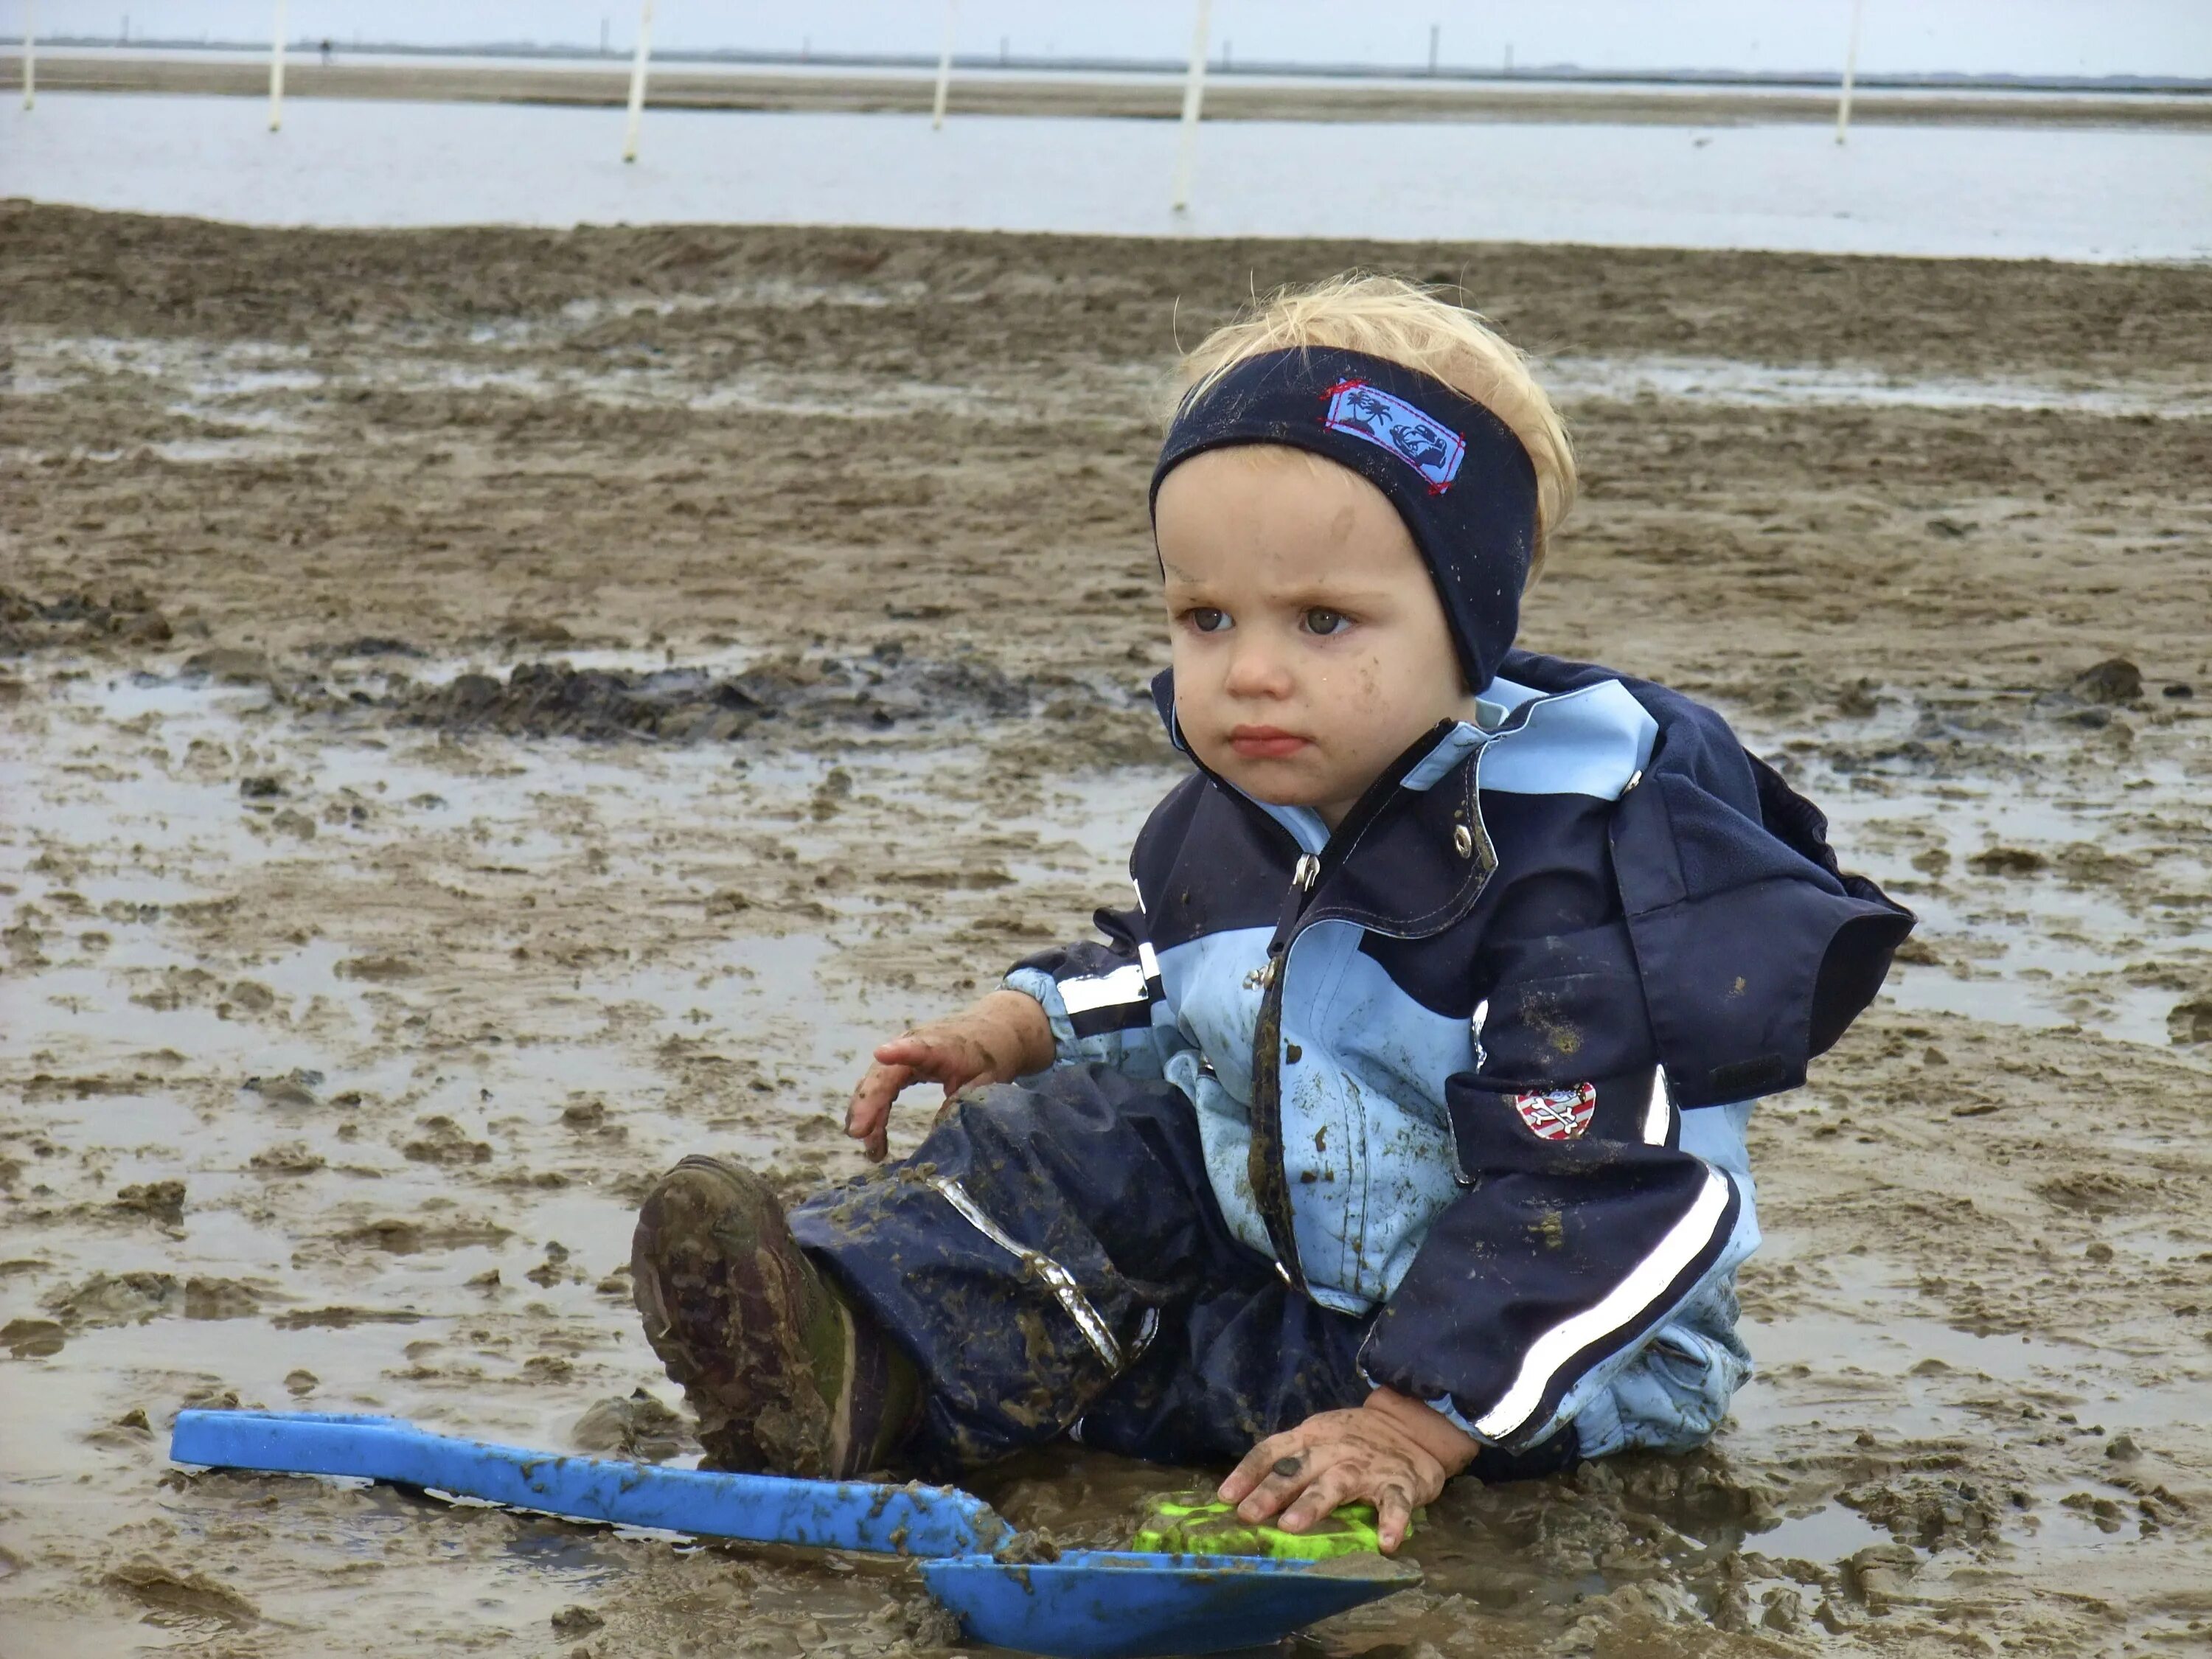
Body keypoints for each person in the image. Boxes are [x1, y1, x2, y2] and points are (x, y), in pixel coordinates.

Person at [630, 275, 1912, 1554]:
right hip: (1290, 1247)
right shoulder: (1231, 813)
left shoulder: (1568, 870)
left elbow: (1620, 1189)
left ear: (1472, 625)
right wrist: (1019, 1021)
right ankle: (845, 1340)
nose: (1250, 670)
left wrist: (1412, 1423)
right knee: (1072, 1137)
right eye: (1206, 618)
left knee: (1225, 1378)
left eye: (1322, 620)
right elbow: (1181, 972)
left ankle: (965, 1390)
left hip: (1529, 1346)